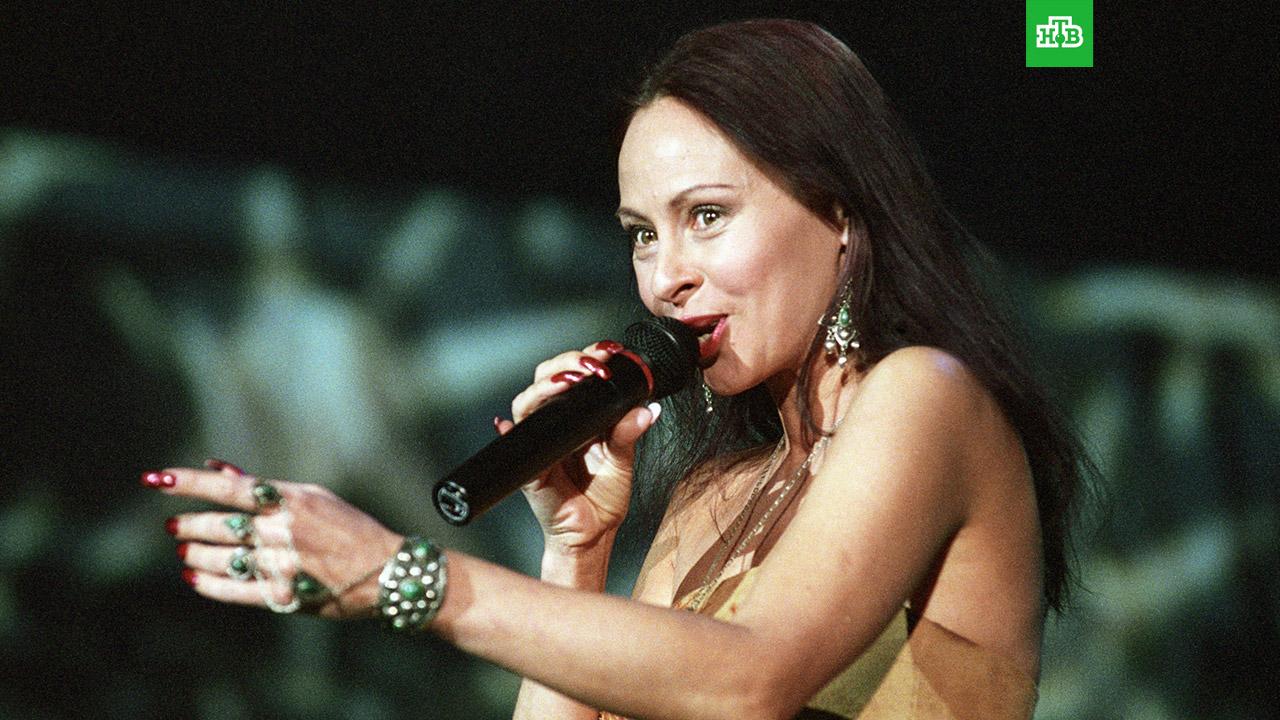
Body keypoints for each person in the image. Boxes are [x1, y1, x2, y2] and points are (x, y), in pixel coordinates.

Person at [144, 19, 1088, 720]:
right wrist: (576, 553)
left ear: (840, 213)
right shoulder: (709, 498)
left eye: (706, 216)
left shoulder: (925, 396)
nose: (666, 275)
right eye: (642, 234)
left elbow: (753, 679)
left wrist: (404, 575)